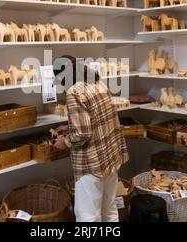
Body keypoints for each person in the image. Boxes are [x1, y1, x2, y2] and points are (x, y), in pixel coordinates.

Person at [52, 56, 129, 222]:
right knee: (109, 210)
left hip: (92, 163)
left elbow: (82, 135)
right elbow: (98, 120)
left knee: (87, 216)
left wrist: (64, 142)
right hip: (111, 156)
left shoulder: (74, 92)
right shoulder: (97, 83)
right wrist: (70, 127)